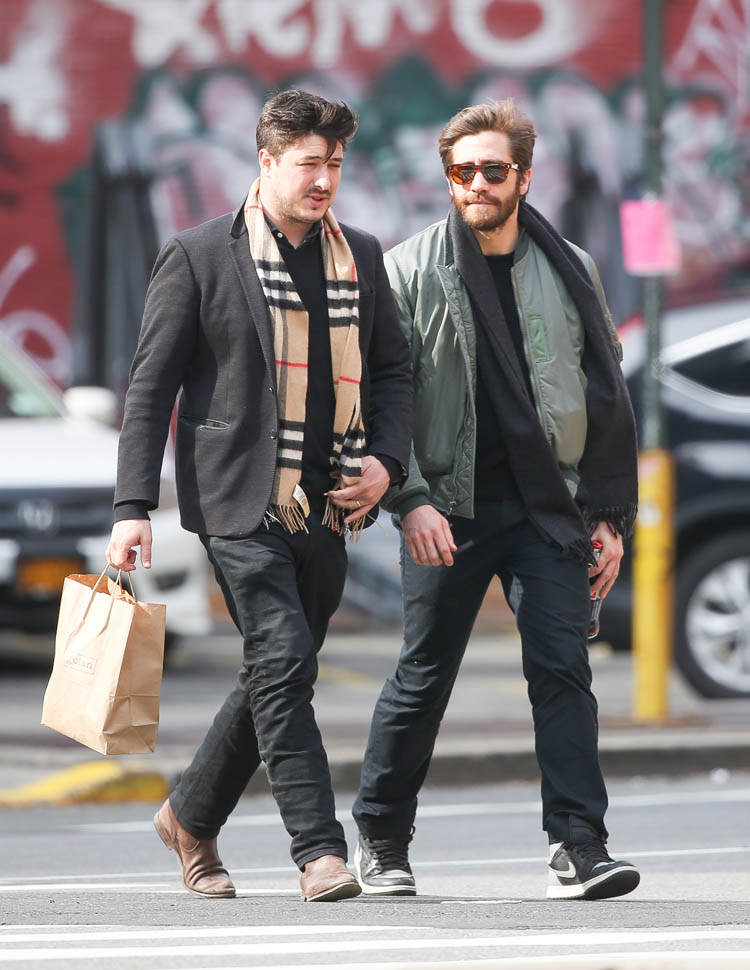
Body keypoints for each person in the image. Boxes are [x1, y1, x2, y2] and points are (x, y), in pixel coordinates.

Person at [106, 89, 412, 903]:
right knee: (281, 658)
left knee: (280, 670)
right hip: (239, 498)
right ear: (267, 161)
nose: (325, 179)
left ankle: (189, 817)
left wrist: (386, 460)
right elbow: (150, 389)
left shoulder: (361, 255)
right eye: (310, 163)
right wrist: (131, 506)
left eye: (335, 164)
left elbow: (392, 371)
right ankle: (319, 851)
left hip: (333, 502)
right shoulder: (200, 255)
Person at [352, 99, 640, 902]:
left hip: (549, 509)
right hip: (447, 506)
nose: (475, 183)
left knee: (562, 668)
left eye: (492, 170)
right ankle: (381, 836)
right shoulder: (408, 270)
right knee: (424, 674)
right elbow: (382, 401)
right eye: (461, 171)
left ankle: (578, 844)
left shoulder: (571, 267)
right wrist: (410, 500)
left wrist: (608, 516)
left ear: (524, 177)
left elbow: (605, 391)